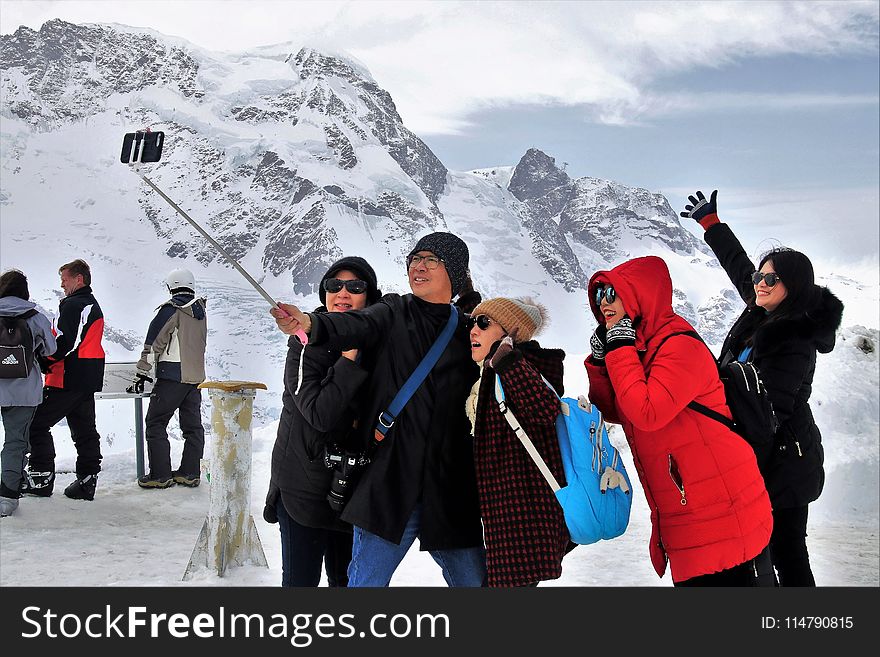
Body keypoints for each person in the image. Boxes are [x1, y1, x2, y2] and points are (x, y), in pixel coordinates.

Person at [271, 231, 486, 587]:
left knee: (474, 583)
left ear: (455, 271)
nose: (418, 266)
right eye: (414, 259)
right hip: (390, 480)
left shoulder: (468, 330)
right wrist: (310, 323)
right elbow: (356, 324)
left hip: (447, 486)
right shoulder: (394, 311)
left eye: (430, 260)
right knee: (365, 584)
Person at [681, 190, 844, 586]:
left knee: (788, 553)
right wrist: (712, 226)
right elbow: (740, 270)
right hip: (756, 454)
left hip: (785, 460)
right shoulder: (763, 310)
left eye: (770, 278)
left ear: (793, 285)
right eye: (760, 276)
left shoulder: (795, 336)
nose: (760, 283)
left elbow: (772, 408)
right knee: (758, 553)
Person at [584, 255, 773, 586]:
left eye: (613, 293)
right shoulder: (639, 346)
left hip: (721, 511)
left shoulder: (679, 346)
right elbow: (615, 410)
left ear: (640, 295)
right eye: (599, 295)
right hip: (689, 509)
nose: (604, 304)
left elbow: (646, 412)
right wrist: (603, 361)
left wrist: (619, 350)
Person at [262, 256, 381, 587]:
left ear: (369, 296)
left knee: (347, 583)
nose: (342, 293)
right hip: (302, 490)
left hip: (351, 490)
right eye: (334, 285)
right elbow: (319, 413)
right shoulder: (303, 343)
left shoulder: (379, 344)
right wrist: (348, 360)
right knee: (301, 584)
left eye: (355, 287)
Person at [466, 296, 571, 587]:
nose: (473, 330)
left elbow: (544, 409)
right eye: (471, 323)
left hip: (523, 518)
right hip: (507, 516)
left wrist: (508, 362)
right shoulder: (489, 371)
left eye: (484, 323)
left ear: (510, 332)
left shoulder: (522, 364)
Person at [23, 259, 105, 501]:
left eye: (65, 279)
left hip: (68, 376)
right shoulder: (89, 303)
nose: (62, 283)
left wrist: (44, 361)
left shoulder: (74, 305)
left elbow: (65, 343)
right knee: (84, 430)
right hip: (86, 376)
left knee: (36, 424)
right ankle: (87, 481)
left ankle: (41, 478)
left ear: (79, 279)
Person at [134, 268, 208, 489]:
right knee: (193, 427)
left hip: (172, 375)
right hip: (195, 379)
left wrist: (142, 371)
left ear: (171, 286)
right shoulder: (200, 312)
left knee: (156, 423)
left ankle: (160, 474)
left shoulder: (171, 310)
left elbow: (154, 342)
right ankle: (190, 472)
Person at [0, 270, 57, 516]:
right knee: (15, 442)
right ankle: (7, 497)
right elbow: (50, 349)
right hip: (24, 392)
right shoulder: (35, 317)